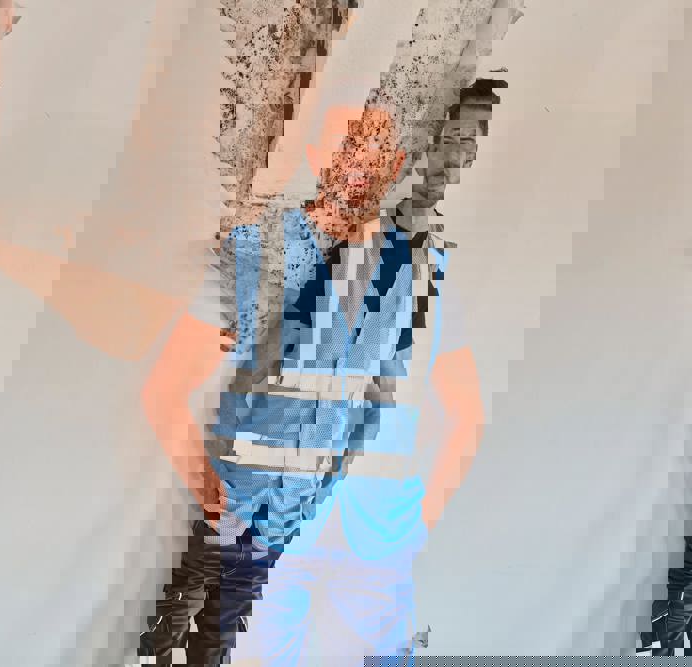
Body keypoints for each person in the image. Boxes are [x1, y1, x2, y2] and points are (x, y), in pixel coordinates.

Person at [136, 79, 501, 665]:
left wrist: (409, 515)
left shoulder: (417, 271)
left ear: (396, 166)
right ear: (317, 155)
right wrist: (214, 493)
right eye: (348, 145)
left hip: (352, 524)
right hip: (256, 510)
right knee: (216, 642)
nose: (361, 164)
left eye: (377, 150)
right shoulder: (256, 251)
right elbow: (169, 386)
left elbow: (449, 405)